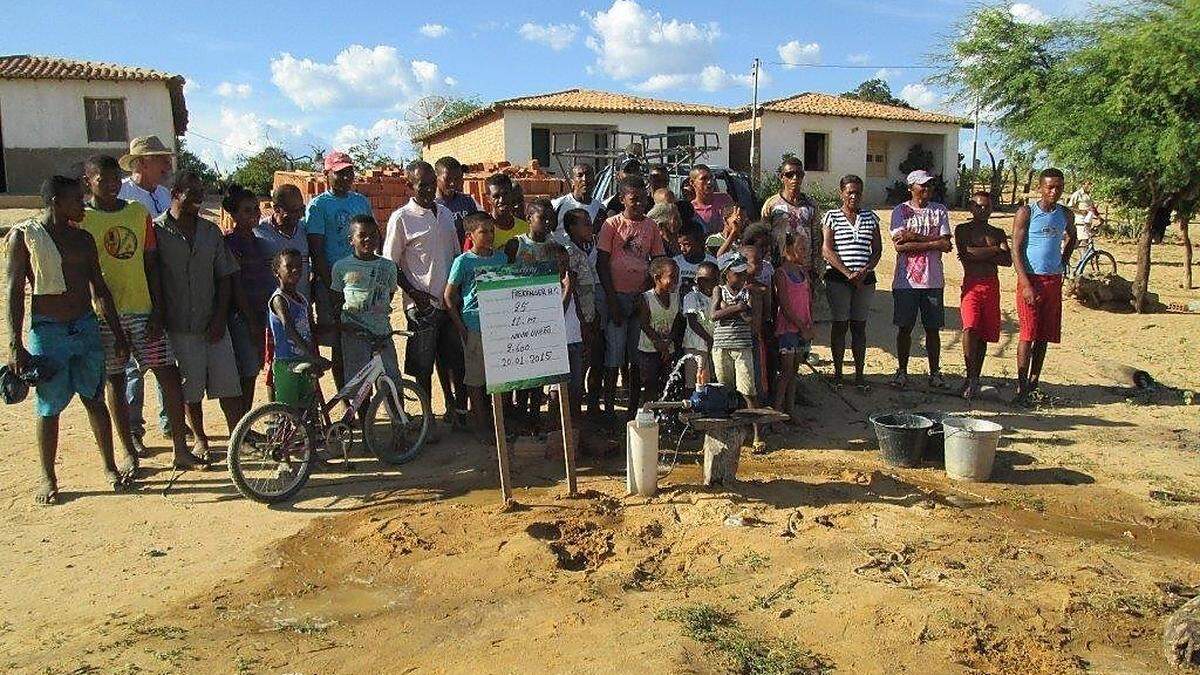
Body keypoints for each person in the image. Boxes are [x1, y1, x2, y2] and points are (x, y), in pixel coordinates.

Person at [7, 176, 131, 504]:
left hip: (86, 327)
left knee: (94, 399)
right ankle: (48, 477)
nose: (83, 204)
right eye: (77, 200)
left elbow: (98, 289)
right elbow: (14, 291)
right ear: (56, 203)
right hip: (48, 331)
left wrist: (117, 332)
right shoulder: (26, 238)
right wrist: (14, 343)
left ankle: (110, 467)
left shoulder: (84, 240)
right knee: (49, 407)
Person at [80, 156, 202, 473]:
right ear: (88, 180)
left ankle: (180, 449)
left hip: (142, 309)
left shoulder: (136, 214)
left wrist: (157, 309)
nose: (110, 184)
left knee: (169, 375)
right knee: (116, 382)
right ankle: (129, 452)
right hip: (104, 315)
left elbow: (151, 265)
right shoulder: (81, 219)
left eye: (114, 179)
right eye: (102, 179)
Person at [154, 172, 245, 458]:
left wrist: (220, 318)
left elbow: (225, 277)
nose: (198, 198)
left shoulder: (210, 232)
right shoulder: (156, 231)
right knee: (189, 390)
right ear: (175, 193)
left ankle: (236, 438)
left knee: (229, 385)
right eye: (192, 192)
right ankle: (201, 440)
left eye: (201, 192)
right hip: (179, 325)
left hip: (212, 322)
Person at [384, 160, 464, 429]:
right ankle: (428, 417)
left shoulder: (444, 214)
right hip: (421, 306)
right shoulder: (401, 218)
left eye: (432, 184)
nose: (429, 190)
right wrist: (413, 293)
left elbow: (455, 256)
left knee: (450, 359)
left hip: (447, 304)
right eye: (423, 185)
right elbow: (390, 264)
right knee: (423, 365)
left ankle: (452, 409)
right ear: (410, 186)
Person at [117, 135, 177, 450]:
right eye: (159, 160)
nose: (166, 165)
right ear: (141, 163)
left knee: (165, 358)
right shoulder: (124, 195)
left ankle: (170, 423)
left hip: (164, 287)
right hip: (134, 290)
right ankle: (133, 431)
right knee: (133, 367)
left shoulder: (165, 194)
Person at [596, 176, 666, 418]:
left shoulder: (651, 226)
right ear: (622, 199)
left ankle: (633, 410)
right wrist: (612, 301)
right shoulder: (611, 225)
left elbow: (656, 263)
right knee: (613, 356)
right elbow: (602, 264)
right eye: (634, 199)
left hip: (639, 299)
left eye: (643, 199)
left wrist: (644, 295)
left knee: (637, 357)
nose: (638, 204)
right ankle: (608, 410)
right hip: (615, 297)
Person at [306, 151, 372, 386]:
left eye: (349, 172)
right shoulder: (318, 206)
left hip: (362, 281)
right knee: (339, 344)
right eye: (340, 173)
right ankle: (347, 402)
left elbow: (371, 238)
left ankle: (365, 401)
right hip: (333, 283)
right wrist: (332, 287)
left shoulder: (361, 201)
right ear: (327, 175)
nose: (346, 177)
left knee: (364, 340)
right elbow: (317, 250)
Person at [1012, 168, 1077, 405]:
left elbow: (1072, 236)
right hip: (1030, 279)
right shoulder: (1027, 212)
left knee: (1044, 334)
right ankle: (1021, 386)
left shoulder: (1065, 214)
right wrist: (1025, 283)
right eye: (1049, 187)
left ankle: (1034, 382)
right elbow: (1016, 250)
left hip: (1053, 280)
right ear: (1040, 187)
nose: (1054, 191)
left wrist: (1063, 259)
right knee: (1028, 333)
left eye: (1058, 187)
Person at [445, 212, 508, 438]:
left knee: (497, 379)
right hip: (474, 326)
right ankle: (480, 425)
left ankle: (497, 423)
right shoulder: (463, 261)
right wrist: (461, 327)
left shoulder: (501, 259)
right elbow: (449, 296)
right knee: (475, 379)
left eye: (492, 230)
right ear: (471, 235)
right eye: (484, 231)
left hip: (498, 327)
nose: (490, 235)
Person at [890, 169, 953, 389]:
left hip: (933, 280)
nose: (927, 189)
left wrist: (915, 237)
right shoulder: (900, 211)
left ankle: (935, 372)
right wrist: (934, 243)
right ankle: (902, 370)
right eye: (922, 185)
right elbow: (900, 246)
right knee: (905, 327)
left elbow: (946, 244)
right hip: (905, 280)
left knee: (932, 328)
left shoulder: (939, 211)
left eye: (929, 185)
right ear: (911, 188)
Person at [822, 175, 883, 391]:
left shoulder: (871, 217)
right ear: (842, 193)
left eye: (857, 192)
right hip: (838, 279)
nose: (854, 196)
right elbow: (826, 250)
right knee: (840, 325)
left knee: (859, 326)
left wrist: (864, 271)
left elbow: (877, 250)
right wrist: (848, 273)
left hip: (864, 281)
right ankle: (838, 374)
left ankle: (859, 374)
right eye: (850, 192)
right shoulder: (832, 216)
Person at [955, 191, 1012, 400]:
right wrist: (996, 249)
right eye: (978, 206)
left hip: (991, 285)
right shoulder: (963, 229)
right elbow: (966, 255)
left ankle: (975, 377)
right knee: (969, 327)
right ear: (971, 207)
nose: (982, 210)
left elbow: (1007, 261)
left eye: (986, 206)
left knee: (983, 334)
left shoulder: (997, 231)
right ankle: (969, 376)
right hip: (971, 284)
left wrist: (983, 253)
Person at [222, 185, 271, 414]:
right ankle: (241, 427)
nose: (254, 214)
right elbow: (236, 284)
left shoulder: (256, 240)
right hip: (242, 316)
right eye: (247, 210)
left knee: (253, 370)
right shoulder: (231, 243)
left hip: (260, 313)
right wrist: (250, 319)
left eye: (256, 209)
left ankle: (244, 425)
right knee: (246, 372)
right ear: (233, 214)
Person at [335, 215, 400, 385]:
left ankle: (396, 412)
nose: (368, 239)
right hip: (354, 335)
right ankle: (363, 413)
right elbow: (336, 300)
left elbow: (389, 294)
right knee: (359, 383)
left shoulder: (388, 266)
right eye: (362, 235)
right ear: (351, 240)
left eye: (373, 234)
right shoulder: (341, 267)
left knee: (391, 380)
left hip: (382, 332)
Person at [762, 156, 826, 322]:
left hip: (804, 269)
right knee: (778, 314)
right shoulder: (772, 205)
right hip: (778, 268)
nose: (795, 178)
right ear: (782, 177)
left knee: (803, 312)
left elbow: (817, 238)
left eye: (798, 174)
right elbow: (763, 237)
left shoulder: (811, 205)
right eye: (790, 174)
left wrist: (816, 271)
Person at [558, 208, 604, 416]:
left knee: (589, 361)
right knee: (575, 371)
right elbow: (573, 290)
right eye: (585, 223)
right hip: (577, 321)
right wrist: (584, 322)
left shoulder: (588, 247)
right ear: (571, 228)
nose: (590, 226)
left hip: (589, 312)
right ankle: (571, 416)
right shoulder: (568, 252)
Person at [268, 249, 323, 409]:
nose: (295, 270)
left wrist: (343, 326)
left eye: (299, 266)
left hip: (304, 360)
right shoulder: (279, 299)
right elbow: (289, 330)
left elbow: (311, 330)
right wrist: (313, 357)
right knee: (288, 410)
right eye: (289, 266)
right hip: (287, 363)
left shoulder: (302, 299)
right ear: (276, 271)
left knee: (308, 408)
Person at [773, 231, 815, 418]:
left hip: (802, 329)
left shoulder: (802, 272)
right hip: (788, 330)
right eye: (801, 248)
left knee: (794, 372)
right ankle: (777, 411)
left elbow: (808, 302)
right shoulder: (781, 274)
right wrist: (802, 327)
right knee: (786, 372)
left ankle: (790, 411)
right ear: (788, 249)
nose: (804, 251)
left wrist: (808, 325)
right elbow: (785, 306)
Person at [710, 252, 759, 407]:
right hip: (721, 346)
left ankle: (755, 430)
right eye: (738, 274)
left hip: (742, 346)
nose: (742, 277)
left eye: (744, 273)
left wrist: (727, 308)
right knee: (725, 389)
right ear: (727, 275)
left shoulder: (747, 292)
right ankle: (731, 426)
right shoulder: (718, 290)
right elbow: (713, 315)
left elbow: (749, 318)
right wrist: (738, 307)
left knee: (748, 390)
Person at [635, 257, 681, 407]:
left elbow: (677, 322)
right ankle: (648, 417)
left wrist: (668, 342)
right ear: (657, 278)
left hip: (668, 348)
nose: (676, 281)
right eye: (672, 277)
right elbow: (644, 324)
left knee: (668, 384)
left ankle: (666, 416)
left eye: (678, 276)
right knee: (650, 386)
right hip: (649, 350)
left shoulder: (676, 297)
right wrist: (659, 343)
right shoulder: (646, 298)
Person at [256, 184, 310, 301]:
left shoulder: (305, 230)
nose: (299, 215)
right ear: (276, 209)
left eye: (301, 209)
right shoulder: (259, 232)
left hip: (302, 306)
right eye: (293, 210)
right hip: (272, 310)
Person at [551, 242, 586, 422]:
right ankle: (556, 424)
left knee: (576, 386)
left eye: (566, 263)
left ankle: (574, 424)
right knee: (557, 388)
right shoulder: (548, 287)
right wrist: (567, 288)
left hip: (575, 339)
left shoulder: (569, 285)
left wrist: (584, 329)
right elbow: (558, 313)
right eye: (559, 263)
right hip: (558, 344)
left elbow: (577, 310)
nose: (564, 267)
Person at [467, 174, 529, 253]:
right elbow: (469, 260)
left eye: (506, 194)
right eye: (496, 196)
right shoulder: (478, 231)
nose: (501, 200)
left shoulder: (525, 228)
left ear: (511, 194)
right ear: (488, 199)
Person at [682, 260, 718, 392]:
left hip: (712, 345)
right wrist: (708, 338)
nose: (708, 284)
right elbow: (692, 322)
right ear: (697, 280)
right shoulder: (692, 297)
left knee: (708, 381)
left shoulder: (717, 297)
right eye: (704, 280)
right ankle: (690, 407)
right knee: (693, 381)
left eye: (712, 280)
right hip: (695, 345)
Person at [434, 156, 480, 246]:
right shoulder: (431, 206)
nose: (453, 183)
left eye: (457, 179)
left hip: (466, 257)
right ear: (436, 178)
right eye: (448, 179)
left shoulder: (467, 202)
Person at [551, 162, 603, 232]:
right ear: (572, 181)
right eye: (580, 175)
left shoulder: (600, 210)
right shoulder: (558, 205)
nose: (584, 179)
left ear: (594, 180)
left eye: (588, 175)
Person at [688, 164, 733, 235]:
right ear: (692, 182)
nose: (709, 182)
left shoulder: (724, 200)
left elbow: (733, 224)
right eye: (704, 179)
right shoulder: (691, 210)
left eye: (711, 178)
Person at [673, 227, 718, 296]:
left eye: (686, 244)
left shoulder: (712, 262)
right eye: (680, 245)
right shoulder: (675, 263)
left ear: (699, 242)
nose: (682, 249)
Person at [510, 198, 555, 263]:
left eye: (550, 218)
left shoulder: (554, 245)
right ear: (528, 219)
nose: (547, 221)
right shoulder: (517, 244)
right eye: (543, 218)